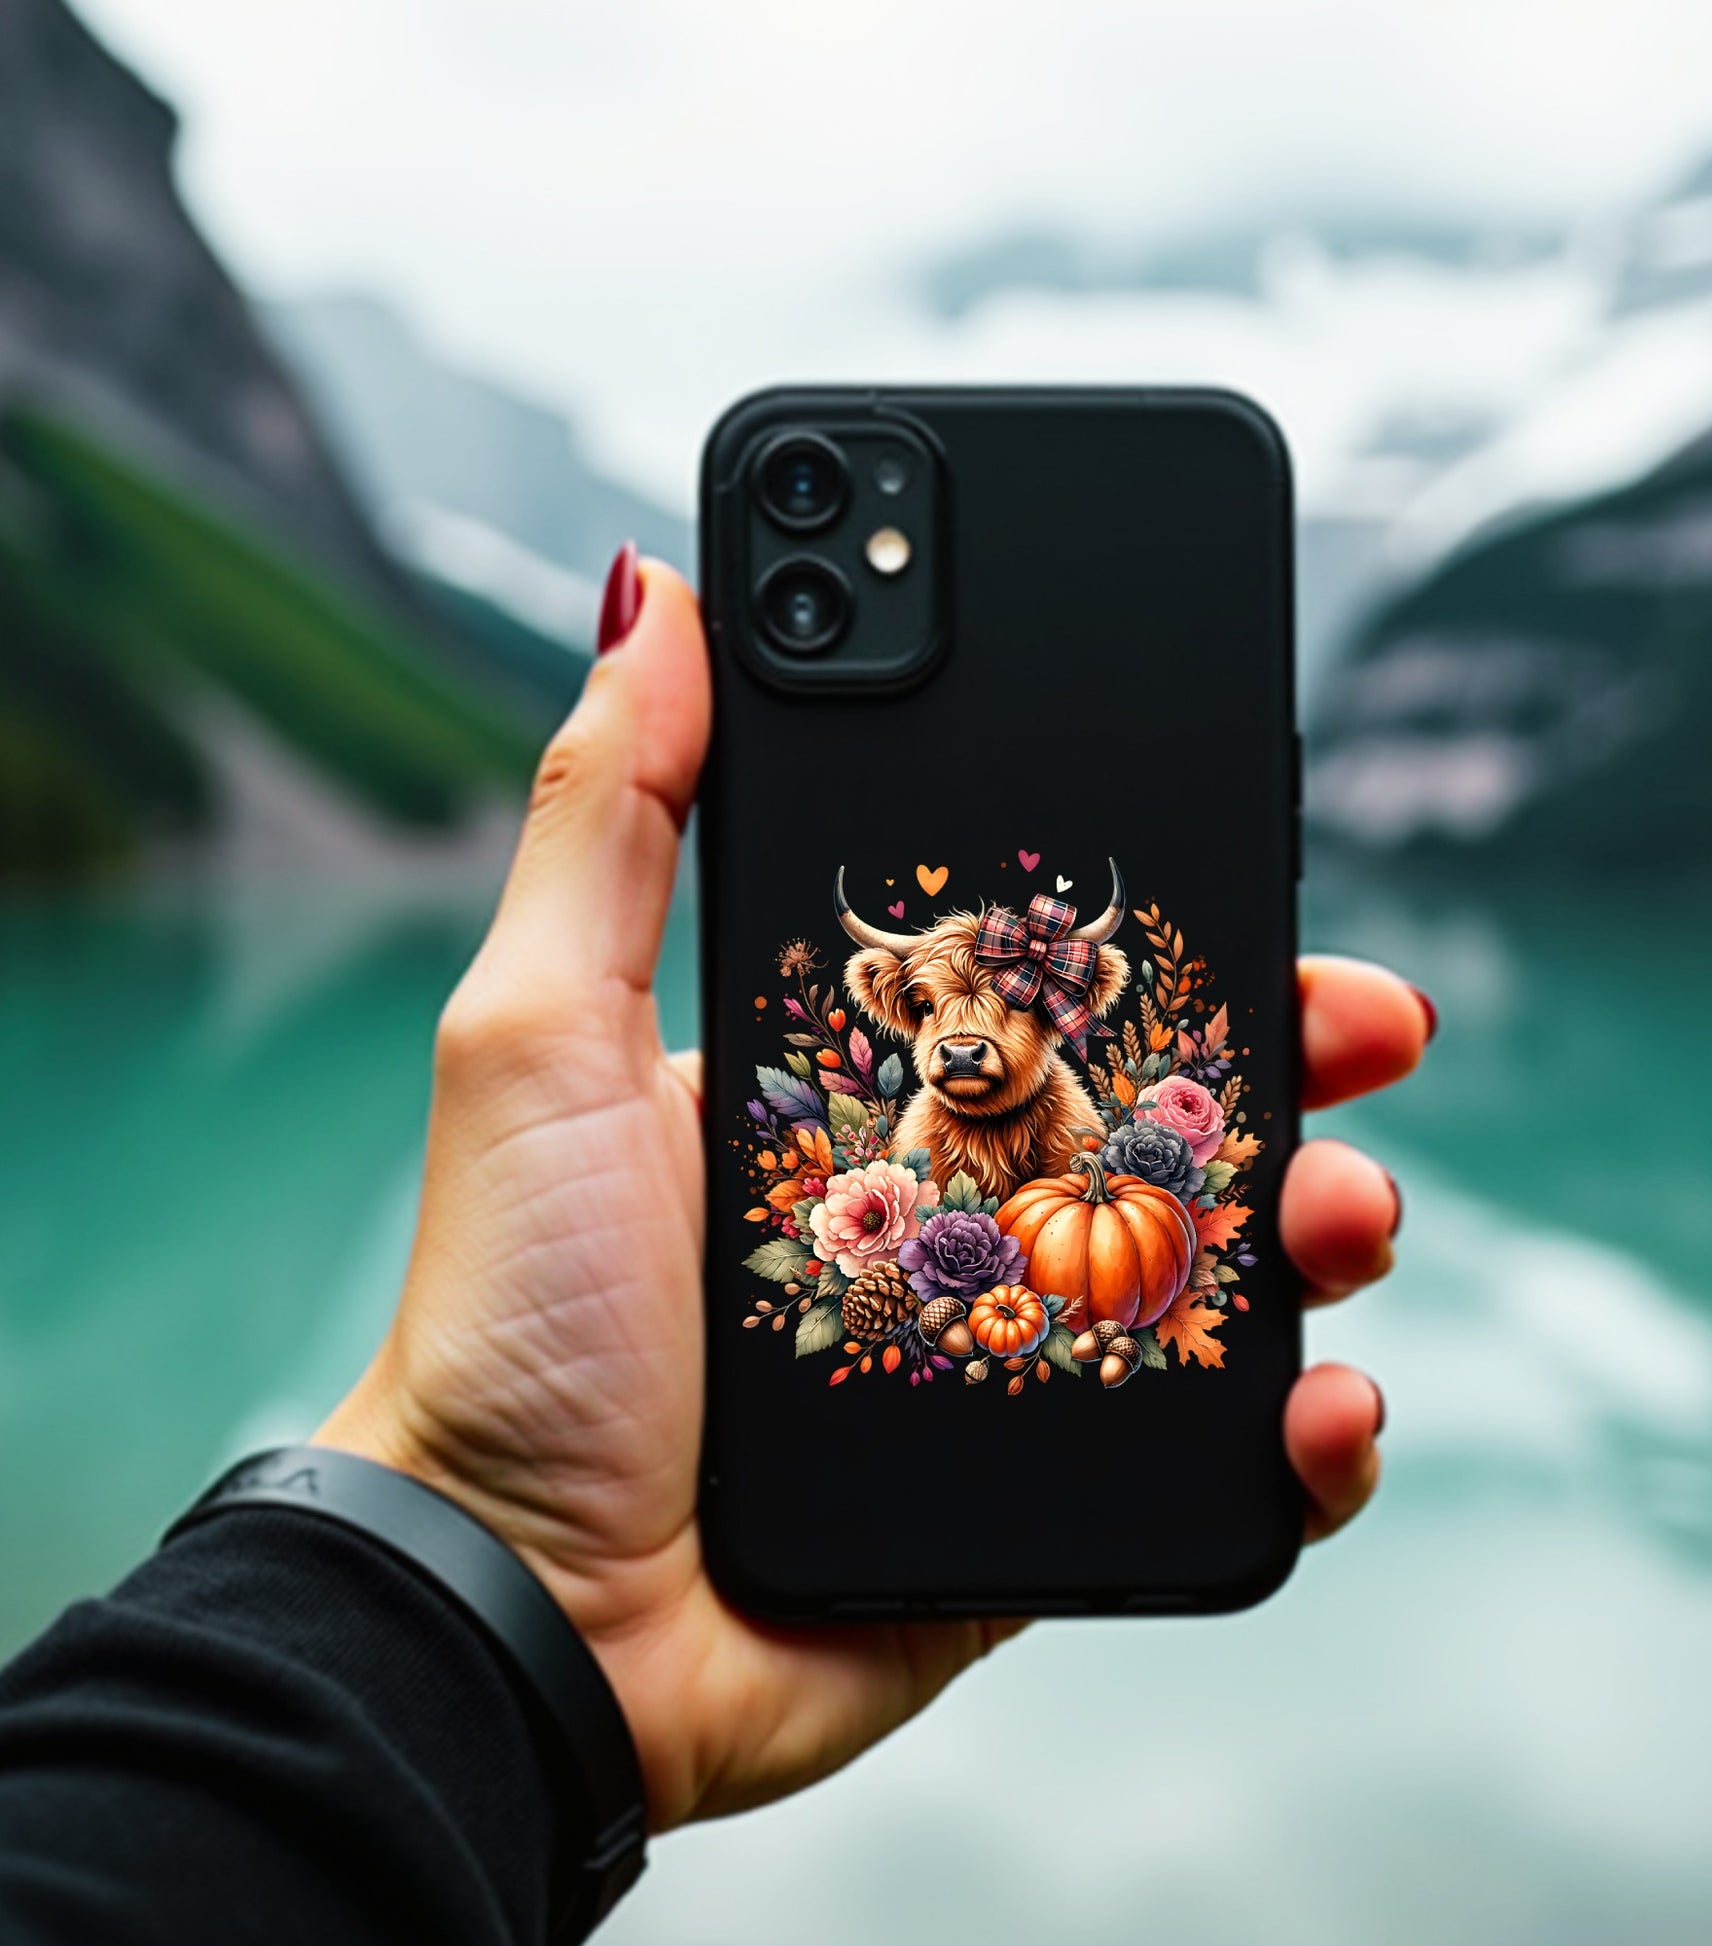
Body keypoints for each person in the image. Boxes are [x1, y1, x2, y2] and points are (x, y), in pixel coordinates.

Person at [0, 551, 1430, 1943]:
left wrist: (475, 1602)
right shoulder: (910, 1108)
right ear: (895, 1001)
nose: (961, 1037)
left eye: (1000, 1010)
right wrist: (502, 1564)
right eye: (929, 1011)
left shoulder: (1065, 1094)